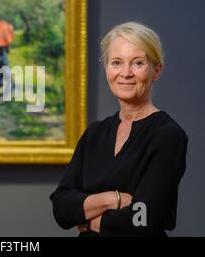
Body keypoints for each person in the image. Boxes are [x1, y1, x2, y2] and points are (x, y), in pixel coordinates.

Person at [50, 22, 188, 237]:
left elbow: (145, 218)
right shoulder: (94, 134)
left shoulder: (168, 136)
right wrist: (112, 199)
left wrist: (88, 221)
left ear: (156, 70)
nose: (125, 73)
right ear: (106, 68)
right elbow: (61, 207)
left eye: (138, 63)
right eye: (116, 62)